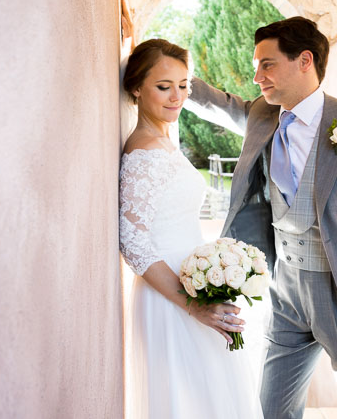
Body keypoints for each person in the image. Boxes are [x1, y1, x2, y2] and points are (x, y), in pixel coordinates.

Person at [186, 16, 337, 418]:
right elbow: (216, 102)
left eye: (267, 64)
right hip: (285, 292)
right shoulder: (262, 116)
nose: (256, 76)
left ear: (304, 60)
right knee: (273, 408)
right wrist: (160, 62)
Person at [119, 38, 263, 419]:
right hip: (171, 296)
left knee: (214, 398)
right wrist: (193, 305)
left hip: (196, 285)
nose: (176, 97)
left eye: (183, 86)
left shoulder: (164, 140)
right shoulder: (143, 153)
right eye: (163, 87)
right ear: (136, 88)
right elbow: (133, 243)